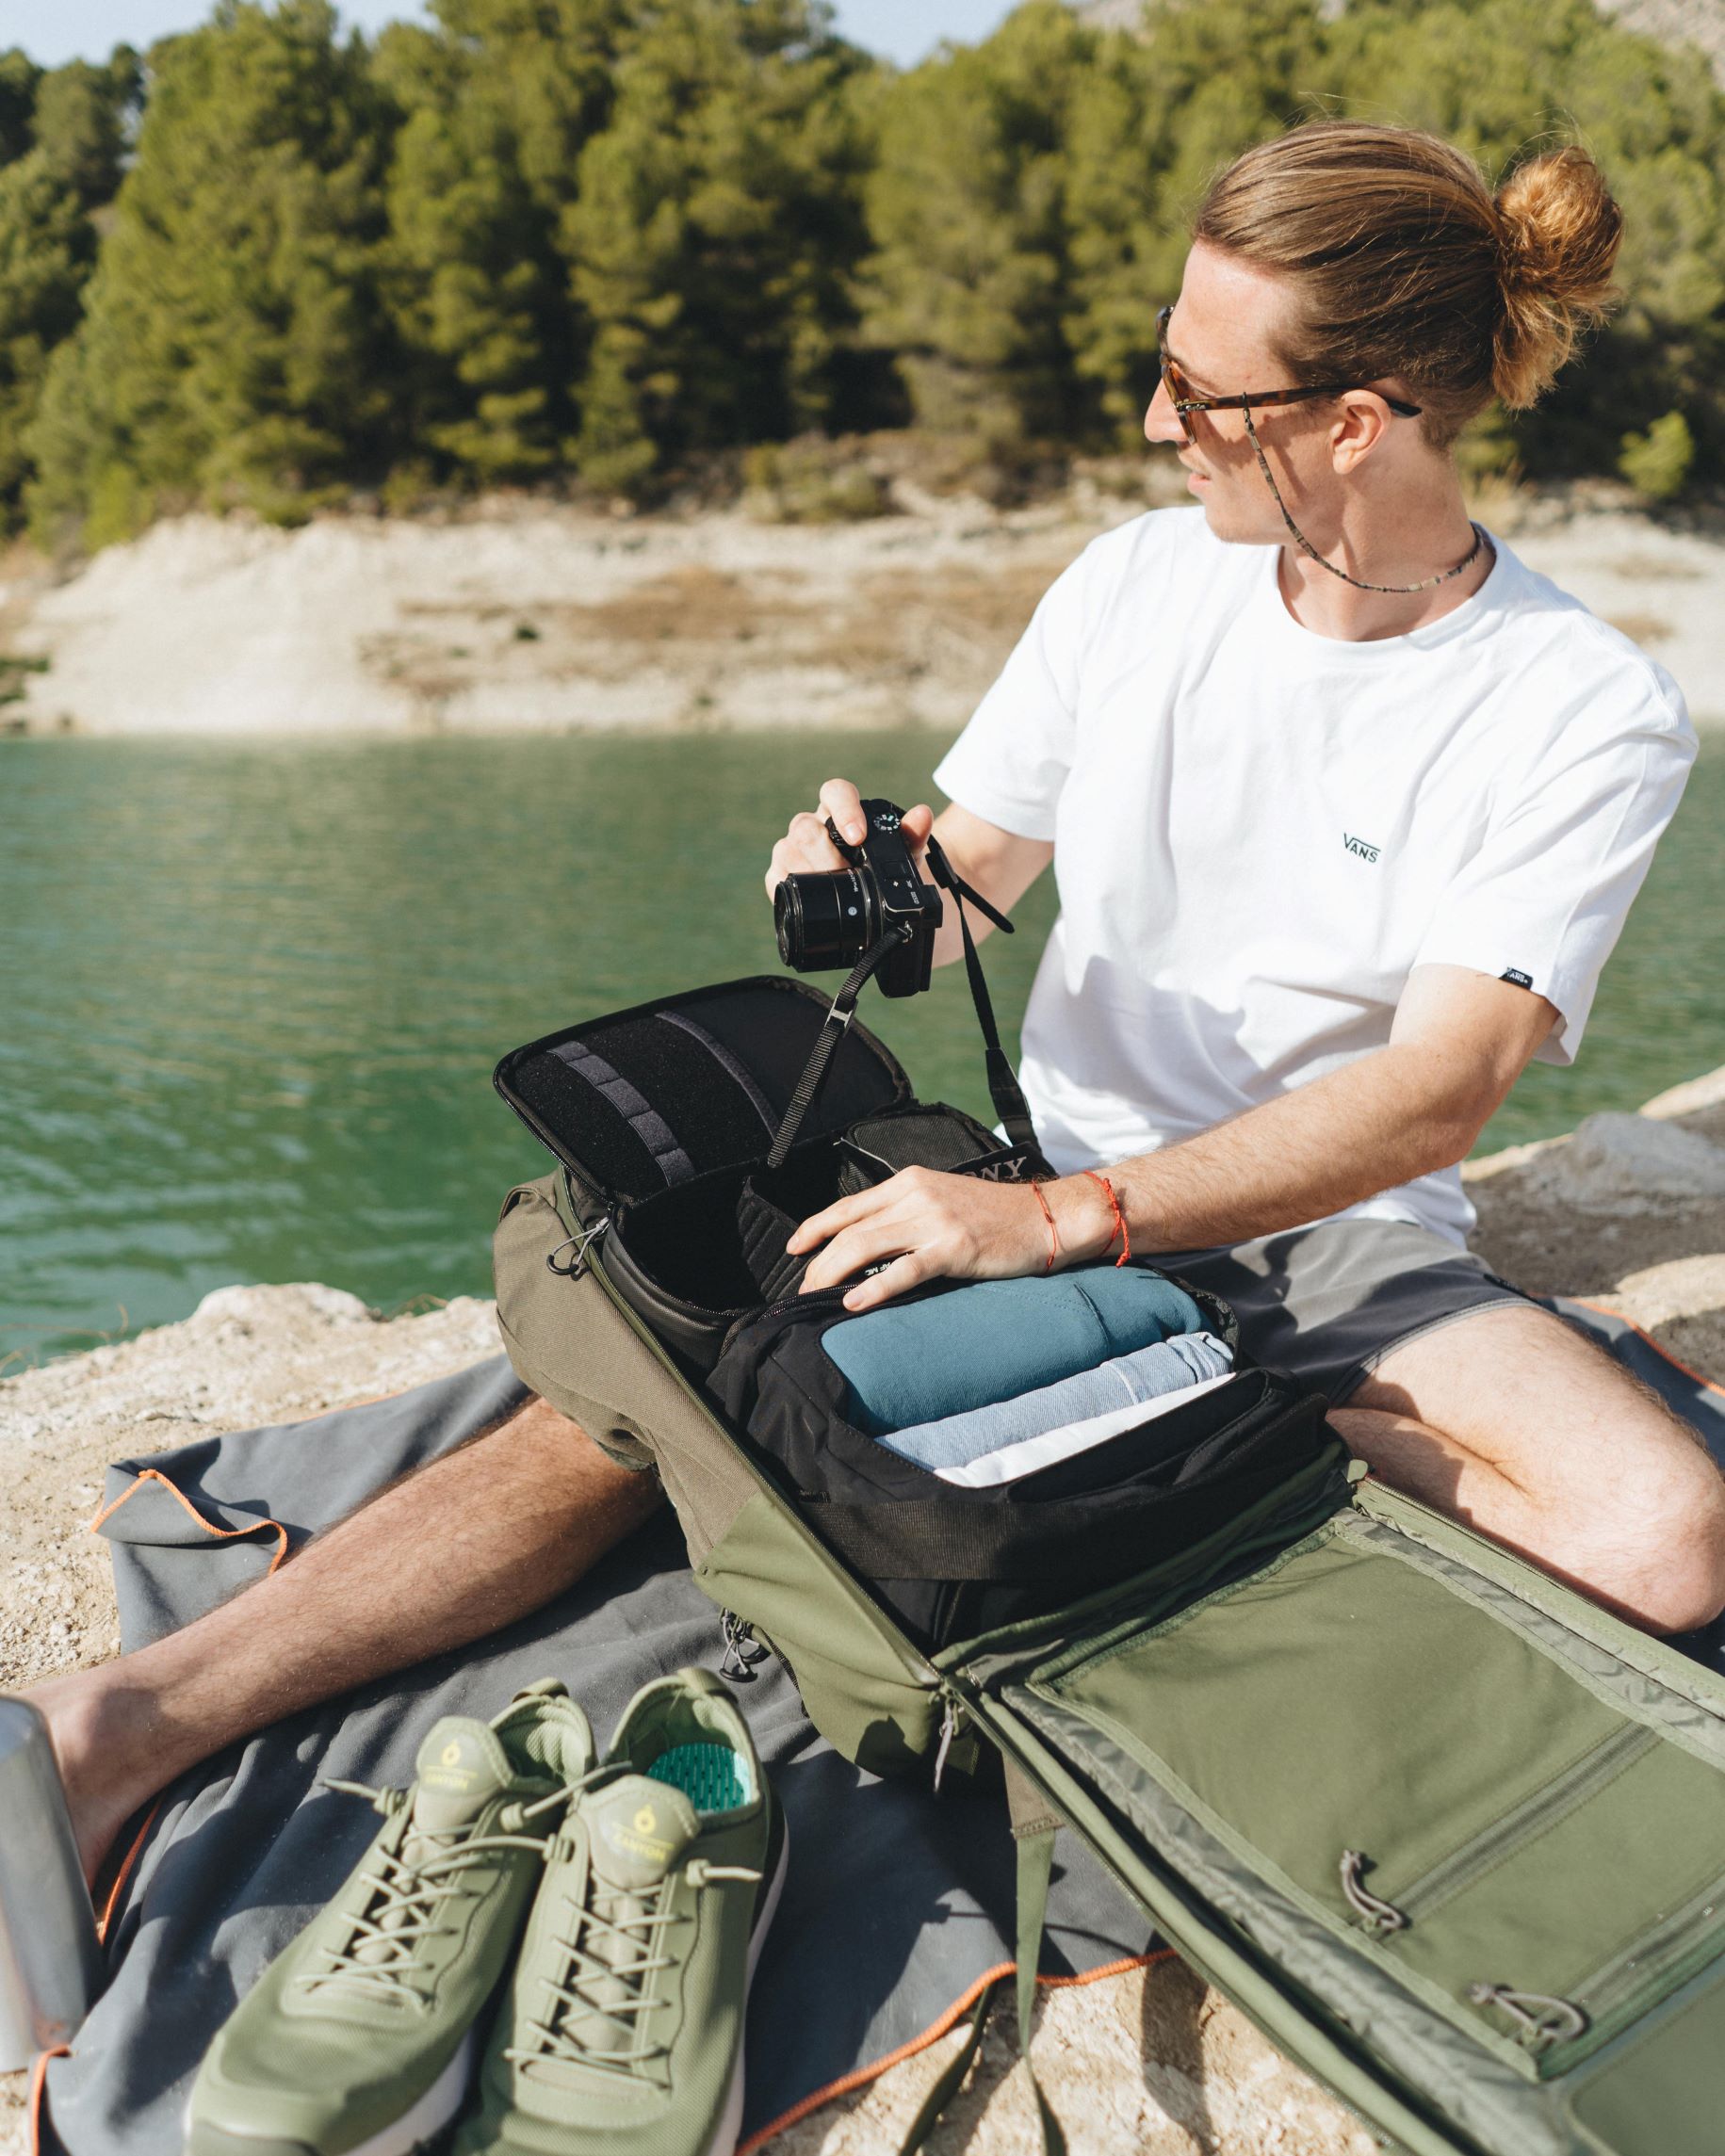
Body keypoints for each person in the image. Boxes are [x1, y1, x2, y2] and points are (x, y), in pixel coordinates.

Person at [28, 120, 1725, 1887]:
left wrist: (1063, 1228)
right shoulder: (1140, 585)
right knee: (668, 1394)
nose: (1155, 424)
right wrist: (859, 878)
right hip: (1029, 1166)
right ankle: (119, 1729)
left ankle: (1203, 1409)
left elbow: (1437, 1094)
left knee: (1665, 1532)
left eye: (1198, 393)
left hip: (1324, 1231)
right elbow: (963, 887)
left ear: (1355, 419)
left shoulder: (1577, 704)